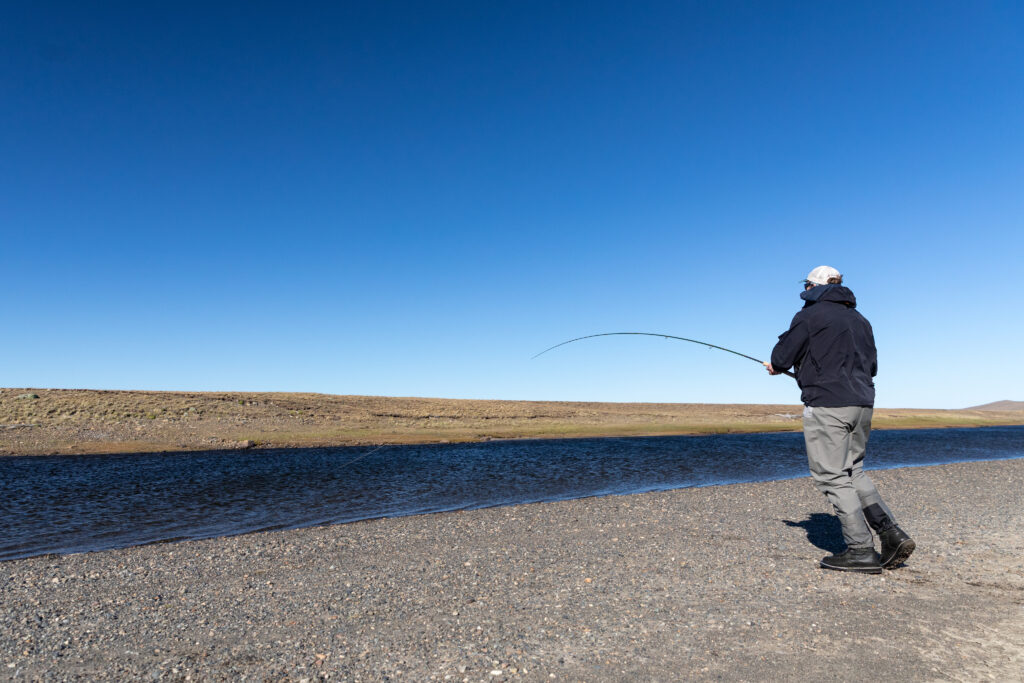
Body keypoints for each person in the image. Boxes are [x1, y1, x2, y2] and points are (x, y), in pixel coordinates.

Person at [765, 265, 915, 573]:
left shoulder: (809, 315)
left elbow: (781, 357)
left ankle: (860, 550)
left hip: (828, 404)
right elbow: (872, 367)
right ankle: (891, 534)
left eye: (806, 286)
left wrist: (777, 366)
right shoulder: (861, 319)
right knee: (853, 471)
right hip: (862, 402)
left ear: (813, 287)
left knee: (832, 476)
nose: (804, 291)